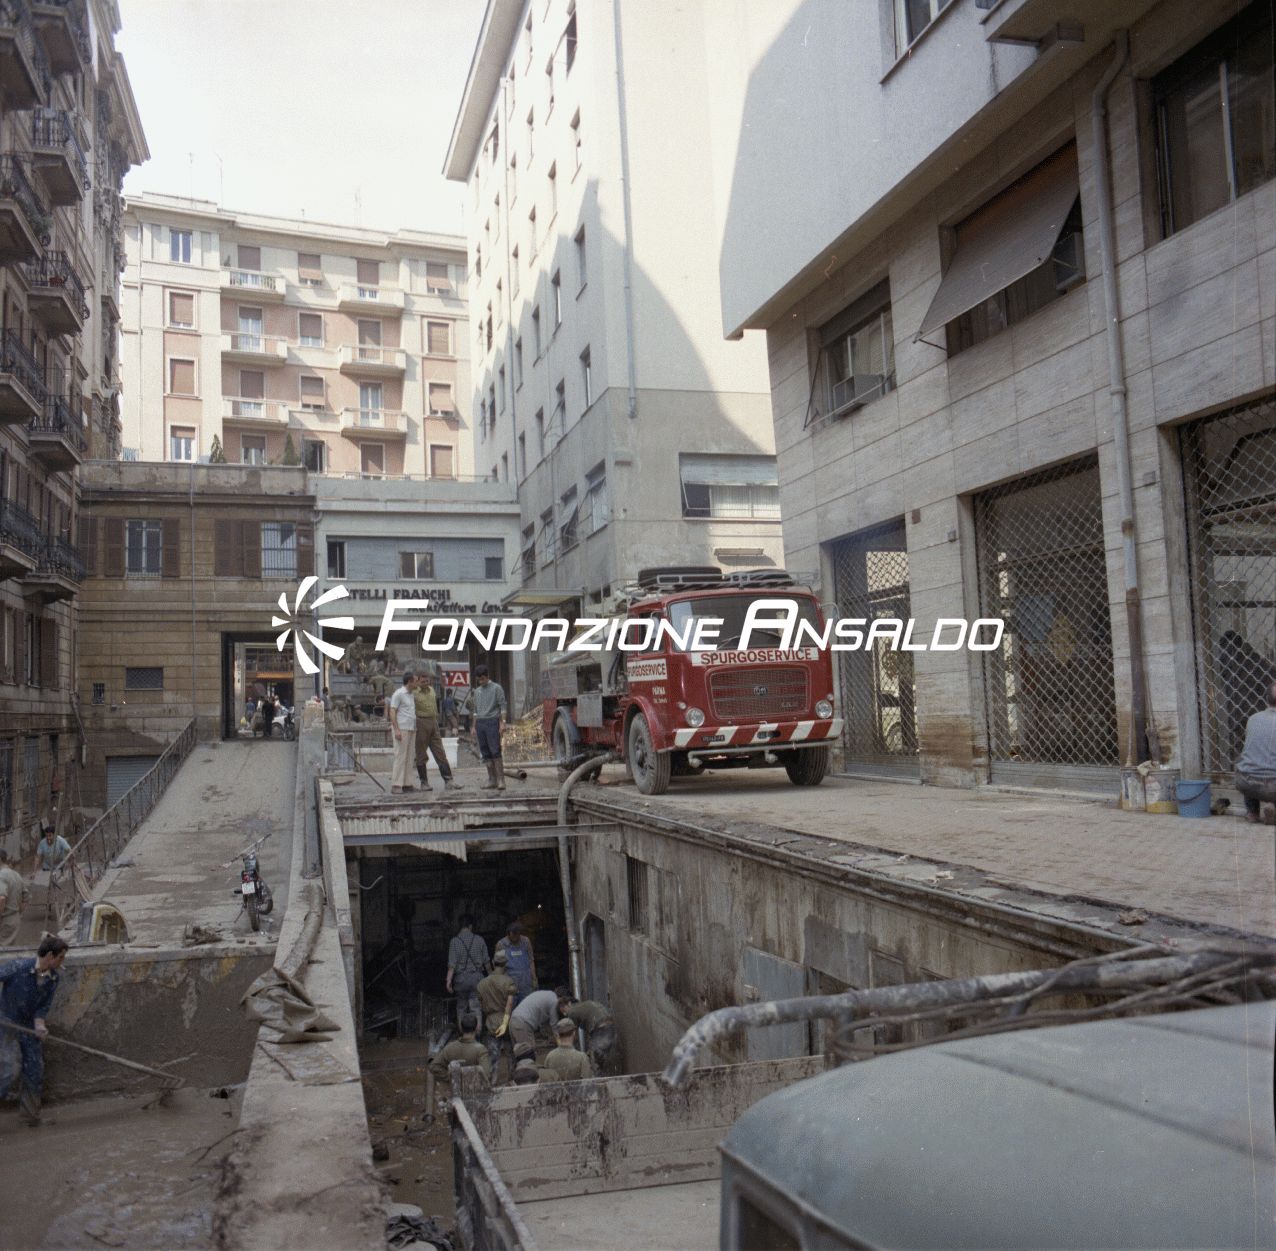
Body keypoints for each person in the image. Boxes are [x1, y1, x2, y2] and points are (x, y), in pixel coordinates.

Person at [0, 935, 69, 1125]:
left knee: (35, 1070)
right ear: (50, 955)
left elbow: (42, 1007)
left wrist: (40, 1025)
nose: (62, 961)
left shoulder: (53, 979)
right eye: (61, 957)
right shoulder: (18, 967)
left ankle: (29, 1117)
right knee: (9, 1070)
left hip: (29, 1028)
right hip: (7, 1025)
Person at [1235, 681, 1276, 824]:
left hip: (1245, 783)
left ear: (1266, 699)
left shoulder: (1253, 718)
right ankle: (1273, 807)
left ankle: (1252, 812)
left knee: (1251, 760)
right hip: (1272, 787)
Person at [464, 664, 508, 790]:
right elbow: (475, 711)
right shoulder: (477, 692)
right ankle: (492, 779)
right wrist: (473, 726)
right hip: (480, 723)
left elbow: (503, 706)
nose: (481, 682)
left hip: (492, 722)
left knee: (495, 750)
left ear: (487, 676)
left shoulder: (497, 688)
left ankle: (501, 780)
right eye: (479, 680)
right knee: (485, 752)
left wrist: (503, 722)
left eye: (482, 679)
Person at [415, 675, 462, 792]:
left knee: (440, 752)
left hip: (433, 723)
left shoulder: (431, 690)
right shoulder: (414, 693)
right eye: (423, 681)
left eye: (427, 681)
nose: (425, 683)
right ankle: (424, 783)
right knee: (421, 754)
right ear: (418, 681)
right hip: (421, 723)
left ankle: (449, 781)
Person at [477, 950, 517, 1077]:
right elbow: (509, 1005)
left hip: (491, 1021)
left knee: (492, 1055)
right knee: (511, 1053)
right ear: (505, 964)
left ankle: (492, 1081)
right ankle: (512, 1079)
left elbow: (481, 1004)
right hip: (507, 1021)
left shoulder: (482, 983)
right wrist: (505, 1023)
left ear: (493, 963)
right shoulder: (509, 981)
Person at [446, 914, 489, 1026]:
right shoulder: (479, 940)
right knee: (476, 1007)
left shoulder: (454, 941)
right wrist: (491, 978)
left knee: (461, 1007)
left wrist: (448, 981)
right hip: (477, 979)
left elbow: (452, 965)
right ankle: (477, 1031)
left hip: (461, 980)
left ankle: (463, 1032)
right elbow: (486, 962)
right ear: (470, 926)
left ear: (459, 926)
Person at [564, 997, 620, 1075]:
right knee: (602, 1057)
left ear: (566, 1005)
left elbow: (572, 1034)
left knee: (595, 1063)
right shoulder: (586, 1005)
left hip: (600, 1028)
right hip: (609, 1026)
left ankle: (599, 1078)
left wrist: (572, 1051)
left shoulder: (571, 1012)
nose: (564, 1014)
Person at [429, 1013, 491, 1082]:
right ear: (476, 1028)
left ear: (461, 1028)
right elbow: (486, 1075)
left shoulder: (450, 1047)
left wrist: (450, 1077)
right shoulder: (481, 1050)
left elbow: (433, 1067)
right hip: (474, 1087)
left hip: (455, 1086)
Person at [388, 669, 419, 794]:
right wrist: (396, 730)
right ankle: (396, 784)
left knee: (409, 757)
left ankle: (407, 783)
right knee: (400, 756)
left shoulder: (411, 695)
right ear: (410, 682)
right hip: (402, 728)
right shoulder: (398, 694)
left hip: (411, 728)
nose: (417, 683)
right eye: (415, 681)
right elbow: (392, 711)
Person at [508, 986, 560, 1054]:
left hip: (515, 1019)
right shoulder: (554, 1001)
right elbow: (554, 1026)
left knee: (518, 1054)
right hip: (523, 1023)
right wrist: (561, 1047)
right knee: (528, 1054)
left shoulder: (549, 994)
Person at [494, 921, 536, 1003]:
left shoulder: (526, 941)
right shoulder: (501, 944)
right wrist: (499, 983)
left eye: (518, 934)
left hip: (526, 982)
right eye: (513, 934)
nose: (516, 937)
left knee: (527, 1005)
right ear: (508, 934)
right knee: (510, 1007)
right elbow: (498, 966)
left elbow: (531, 960)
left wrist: (534, 979)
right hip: (510, 983)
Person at [544, 1017, 594, 1081]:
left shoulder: (549, 1057)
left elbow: (546, 1081)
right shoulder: (582, 1058)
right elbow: (588, 1082)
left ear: (558, 1035)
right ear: (574, 1033)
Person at [0, 851, 27, 947]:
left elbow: (1, 898)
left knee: (2, 951)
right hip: (14, 919)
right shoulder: (16, 874)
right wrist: (18, 913)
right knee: (9, 949)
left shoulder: (1, 875)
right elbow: (25, 898)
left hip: (5, 919)